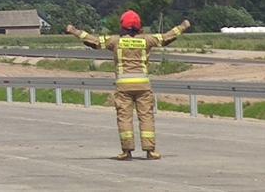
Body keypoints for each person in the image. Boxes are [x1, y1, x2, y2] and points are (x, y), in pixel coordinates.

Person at [67, 11, 191, 160]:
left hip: (123, 86)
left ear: (123, 26)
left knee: (124, 118)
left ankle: (127, 151)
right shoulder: (147, 40)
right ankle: (150, 151)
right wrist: (182, 27)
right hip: (143, 85)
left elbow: (93, 41)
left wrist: (74, 31)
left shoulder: (115, 41)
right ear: (139, 26)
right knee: (146, 117)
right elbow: (166, 38)